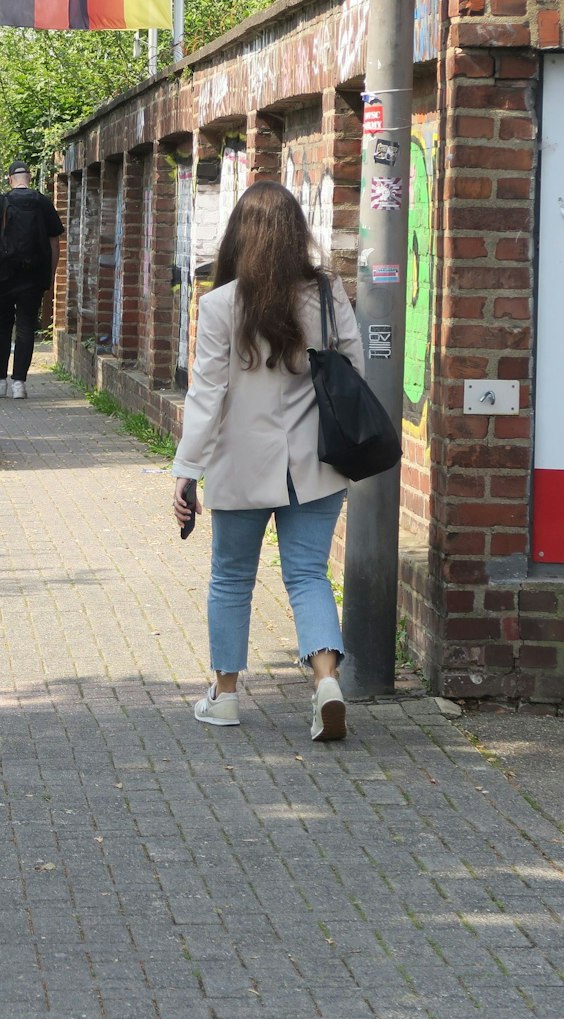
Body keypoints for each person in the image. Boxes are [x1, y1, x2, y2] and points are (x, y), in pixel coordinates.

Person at [170, 180, 360, 743]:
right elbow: (352, 365)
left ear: (239, 238)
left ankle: (225, 697)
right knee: (308, 575)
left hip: (241, 464)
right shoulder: (325, 295)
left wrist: (186, 470)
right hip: (316, 465)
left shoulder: (221, 305)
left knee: (231, 578)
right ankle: (326, 682)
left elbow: (207, 395)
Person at [0, 161, 65, 400]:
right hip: (33, 276)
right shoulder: (43, 203)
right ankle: (19, 384)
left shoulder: (0, 203)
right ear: (30, 177)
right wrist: (50, 275)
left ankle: (0, 382)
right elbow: (55, 244)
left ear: (9, 178)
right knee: (25, 326)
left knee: (3, 324)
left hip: (3, 275)